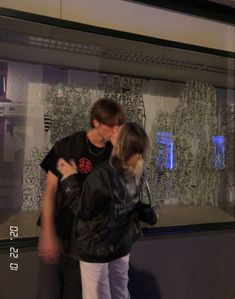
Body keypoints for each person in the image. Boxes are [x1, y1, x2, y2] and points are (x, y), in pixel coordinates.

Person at [57, 122, 158, 299]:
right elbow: (129, 203)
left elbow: (83, 209)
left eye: (120, 130)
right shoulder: (137, 170)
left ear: (120, 143)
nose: (115, 129)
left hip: (96, 246)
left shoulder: (102, 173)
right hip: (121, 243)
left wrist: (69, 177)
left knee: (96, 294)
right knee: (120, 290)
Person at [37, 98, 125, 299]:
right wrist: (47, 232)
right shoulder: (69, 146)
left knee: (76, 293)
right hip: (59, 230)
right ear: (96, 122)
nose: (115, 131)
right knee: (47, 292)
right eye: (111, 126)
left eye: (118, 126)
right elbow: (50, 189)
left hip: (86, 242)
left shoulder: (114, 156)